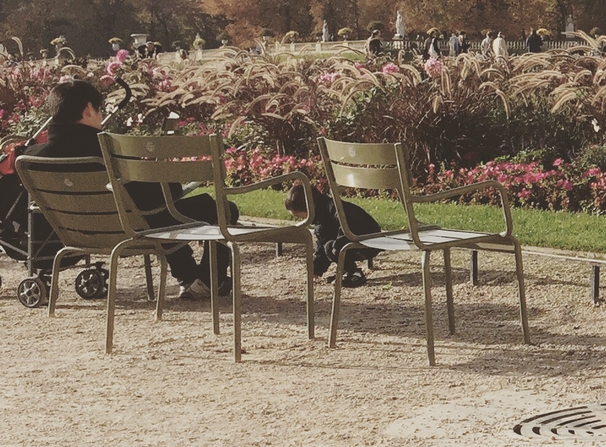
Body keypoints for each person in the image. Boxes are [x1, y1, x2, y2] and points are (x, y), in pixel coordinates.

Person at [24, 77, 234, 298]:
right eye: (99, 110)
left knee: (157, 215)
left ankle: (190, 277)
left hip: (77, 234)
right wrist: (160, 177)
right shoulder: (109, 151)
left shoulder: (31, 159)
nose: (102, 116)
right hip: (130, 230)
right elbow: (161, 195)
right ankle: (209, 280)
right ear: (88, 110)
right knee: (221, 207)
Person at [282, 185, 380, 286]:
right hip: (356, 241)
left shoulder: (334, 208)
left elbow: (352, 224)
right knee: (328, 246)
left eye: (302, 217)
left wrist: (337, 246)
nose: (303, 220)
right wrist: (315, 271)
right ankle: (346, 271)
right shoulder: (322, 214)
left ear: (310, 208)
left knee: (331, 247)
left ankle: (354, 273)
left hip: (368, 242)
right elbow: (321, 245)